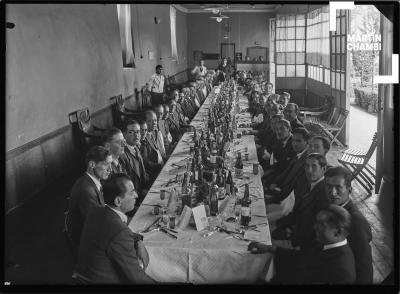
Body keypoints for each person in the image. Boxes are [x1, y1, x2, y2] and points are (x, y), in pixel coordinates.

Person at [73, 173, 156, 284]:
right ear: (118, 201)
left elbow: (116, 233)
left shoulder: (96, 211)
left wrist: (138, 240)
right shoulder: (119, 232)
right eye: (132, 192)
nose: (136, 195)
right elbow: (137, 278)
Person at [249, 204, 356, 284]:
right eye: (317, 223)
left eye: (322, 225)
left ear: (338, 233)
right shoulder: (325, 242)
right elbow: (300, 256)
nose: (315, 227)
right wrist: (268, 248)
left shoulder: (342, 272)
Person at [325, 166, 373, 284]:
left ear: (349, 189)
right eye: (329, 187)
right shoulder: (334, 208)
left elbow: (364, 269)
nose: (333, 192)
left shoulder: (356, 222)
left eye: (338, 187)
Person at [272, 153, 330, 249]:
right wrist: (280, 225)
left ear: (323, 169)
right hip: (292, 230)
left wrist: (289, 236)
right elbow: (297, 212)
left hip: (302, 244)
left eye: (314, 166)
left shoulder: (324, 194)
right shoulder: (307, 183)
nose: (309, 170)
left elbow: (313, 228)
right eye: (307, 166)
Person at [66, 146, 112, 253]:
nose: (110, 169)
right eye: (106, 164)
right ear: (92, 164)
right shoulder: (86, 190)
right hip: (90, 246)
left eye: (111, 164)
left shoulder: (91, 181)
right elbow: (97, 227)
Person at [264, 127, 310, 204]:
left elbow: (292, 187)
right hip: (281, 191)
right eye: (293, 140)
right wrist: (275, 182)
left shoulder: (306, 161)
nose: (294, 143)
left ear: (307, 142)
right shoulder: (299, 153)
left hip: (288, 200)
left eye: (298, 141)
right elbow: (286, 171)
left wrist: (272, 199)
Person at [122, 120, 150, 207]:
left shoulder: (135, 148)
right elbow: (126, 185)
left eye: (138, 132)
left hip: (143, 193)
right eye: (131, 132)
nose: (136, 135)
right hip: (134, 200)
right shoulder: (123, 155)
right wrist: (141, 194)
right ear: (124, 134)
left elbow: (143, 173)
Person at [141, 111, 164, 182]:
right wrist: (160, 166)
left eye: (155, 120)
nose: (154, 123)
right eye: (150, 121)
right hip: (154, 175)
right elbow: (145, 162)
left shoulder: (152, 134)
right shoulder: (143, 139)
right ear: (144, 123)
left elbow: (159, 154)